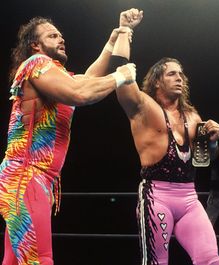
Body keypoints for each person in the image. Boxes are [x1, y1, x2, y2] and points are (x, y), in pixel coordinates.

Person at [0, 9, 143, 265]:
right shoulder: (36, 64)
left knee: (13, 261)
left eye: (61, 35)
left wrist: (115, 38)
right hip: (26, 177)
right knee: (40, 260)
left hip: (31, 179)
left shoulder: (56, 75)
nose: (61, 39)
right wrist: (120, 76)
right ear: (36, 45)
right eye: (53, 36)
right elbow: (80, 93)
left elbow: (87, 80)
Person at [112, 33, 219, 264]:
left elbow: (207, 158)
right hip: (156, 196)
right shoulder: (143, 107)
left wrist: (213, 141)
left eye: (181, 74)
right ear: (157, 81)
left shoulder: (193, 117)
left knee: (210, 259)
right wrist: (123, 31)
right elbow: (121, 75)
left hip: (190, 199)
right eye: (172, 73)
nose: (179, 78)